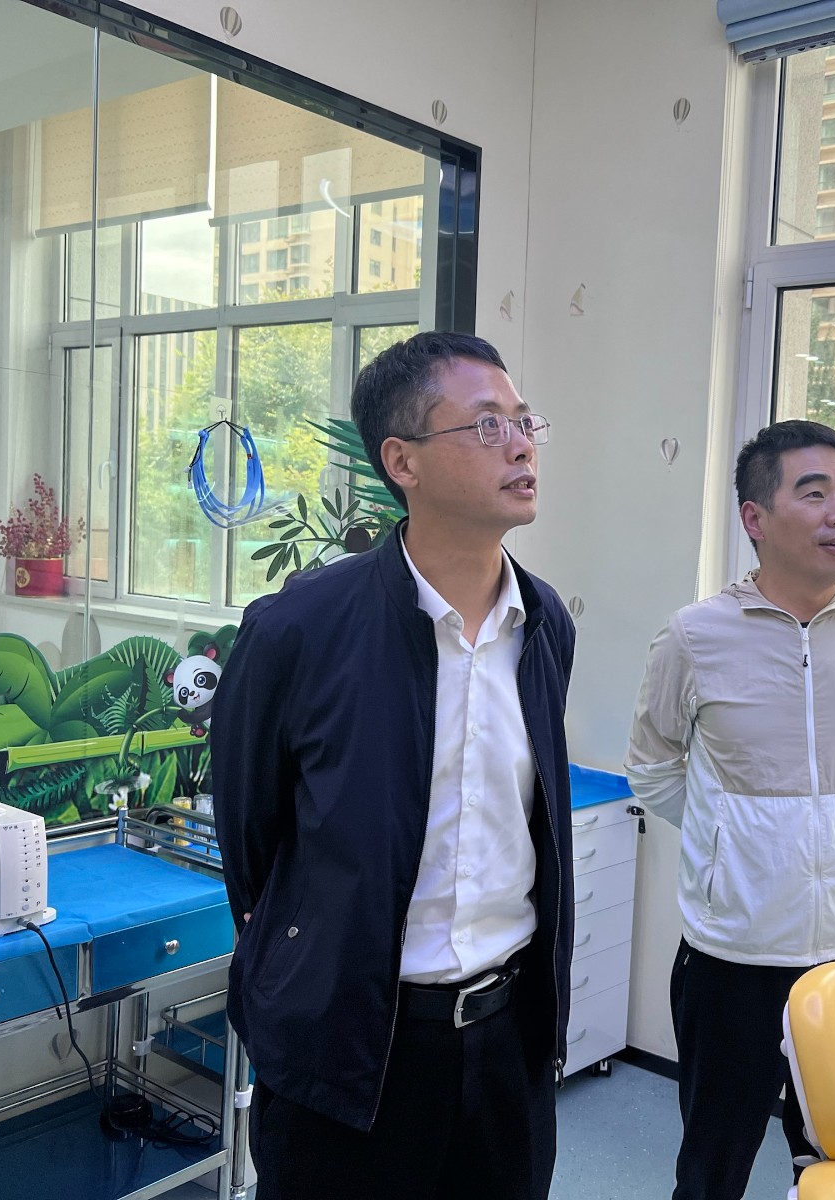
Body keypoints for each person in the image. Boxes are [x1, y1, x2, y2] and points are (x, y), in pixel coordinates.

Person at [213, 331, 577, 1200]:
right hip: (350, 1051)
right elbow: (251, 837)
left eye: (524, 421)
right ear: (401, 461)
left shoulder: (544, 624)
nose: (521, 445)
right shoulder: (299, 630)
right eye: (486, 425)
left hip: (507, 1043)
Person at [625, 419, 835, 1200]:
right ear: (755, 518)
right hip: (735, 953)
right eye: (815, 493)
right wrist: (735, 843)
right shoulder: (695, 637)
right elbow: (652, 767)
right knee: (714, 1162)